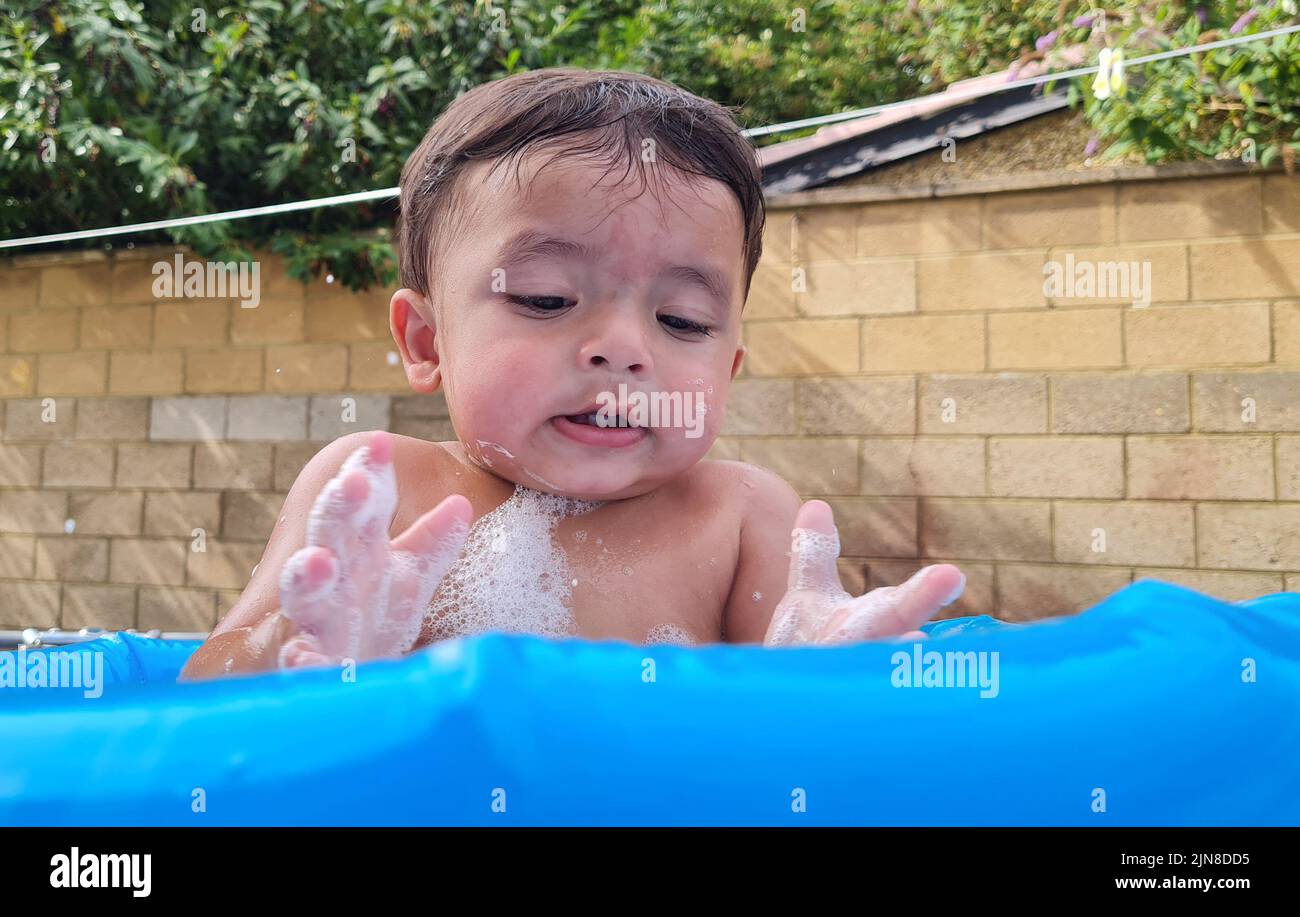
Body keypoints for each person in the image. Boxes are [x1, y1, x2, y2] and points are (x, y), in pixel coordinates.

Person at [179, 68, 964, 680]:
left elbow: (786, 739)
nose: (624, 349)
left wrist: (831, 680)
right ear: (425, 339)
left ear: (726, 369)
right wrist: (299, 641)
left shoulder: (742, 517)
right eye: (545, 298)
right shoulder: (380, 490)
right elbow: (202, 699)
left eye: (682, 319)